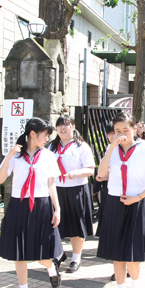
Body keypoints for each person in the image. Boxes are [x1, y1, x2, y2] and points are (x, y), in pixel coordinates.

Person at [96, 112, 145, 288]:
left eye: (126, 129)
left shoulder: (144, 150)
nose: (122, 134)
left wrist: (139, 197)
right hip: (115, 203)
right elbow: (100, 174)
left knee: (132, 254)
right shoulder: (113, 149)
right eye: (117, 131)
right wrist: (111, 148)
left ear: (135, 129)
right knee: (117, 254)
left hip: (136, 202)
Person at [0, 118, 62, 288]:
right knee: (20, 254)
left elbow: (51, 184)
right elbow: (0, 179)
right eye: (45, 135)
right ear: (32, 133)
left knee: (42, 254)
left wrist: (57, 209)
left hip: (42, 205)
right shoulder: (16, 155)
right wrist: (9, 156)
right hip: (19, 206)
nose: (47, 139)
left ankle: (51, 268)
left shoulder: (48, 156)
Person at [48, 114, 95, 273]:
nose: (62, 128)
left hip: (76, 190)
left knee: (76, 224)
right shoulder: (51, 147)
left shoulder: (81, 146)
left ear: (73, 127)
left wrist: (77, 173)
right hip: (56, 190)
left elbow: (90, 170)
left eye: (66, 125)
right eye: (59, 125)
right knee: (55, 224)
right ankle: (58, 255)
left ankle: (76, 257)